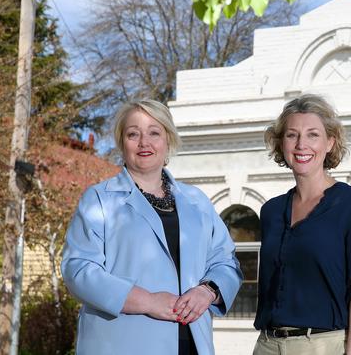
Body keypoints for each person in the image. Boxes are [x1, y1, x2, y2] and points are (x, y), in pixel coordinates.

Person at [61, 99, 242, 355]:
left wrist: (208, 291)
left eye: (154, 132)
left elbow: (226, 261)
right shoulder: (99, 199)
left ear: (168, 140)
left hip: (192, 344)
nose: (144, 142)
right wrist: (147, 301)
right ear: (122, 143)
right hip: (121, 344)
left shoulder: (197, 201)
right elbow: (77, 270)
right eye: (133, 134)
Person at [253, 94, 351, 355]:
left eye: (313, 135)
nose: (302, 145)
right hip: (267, 344)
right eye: (292, 135)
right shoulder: (271, 211)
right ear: (281, 143)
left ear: (330, 143)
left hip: (323, 346)